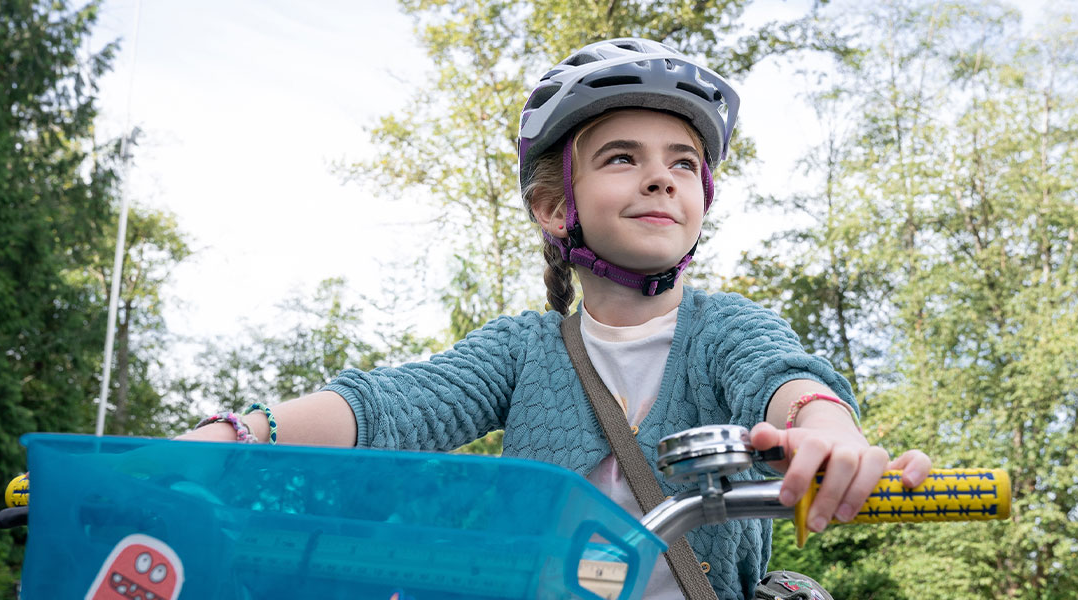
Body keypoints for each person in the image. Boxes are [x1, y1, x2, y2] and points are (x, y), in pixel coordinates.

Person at [180, 37, 931, 599]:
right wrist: (231, 438)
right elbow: (393, 406)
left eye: (682, 162)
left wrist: (829, 435)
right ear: (552, 206)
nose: (660, 178)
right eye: (620, 158)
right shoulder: (523, 350)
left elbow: (785, 379)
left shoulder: (722, 330)